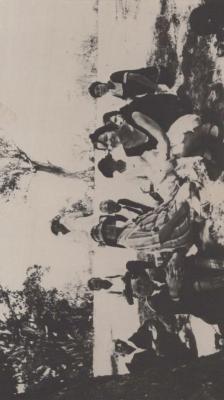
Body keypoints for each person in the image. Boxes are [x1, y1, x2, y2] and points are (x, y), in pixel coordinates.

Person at [91, 201, 194, 255]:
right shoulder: (128, 240)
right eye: (105, 234)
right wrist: (179, 213)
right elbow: (160, 237)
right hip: (178, 230)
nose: (108, 230)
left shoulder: (126, 225)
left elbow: (154, 212)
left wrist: (171, 199)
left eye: (105, 227)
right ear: (108, 240)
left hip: (172, 216)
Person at [88, 65, 175, 100]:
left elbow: (137, 77)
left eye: (98, 88)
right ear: (101, 95)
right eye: (99, 93)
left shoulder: (114, 77)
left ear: (99, 83)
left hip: (157, 75)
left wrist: (156, 87)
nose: (101, 90)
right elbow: (133, 97)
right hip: (157, 87)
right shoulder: (115, 94)